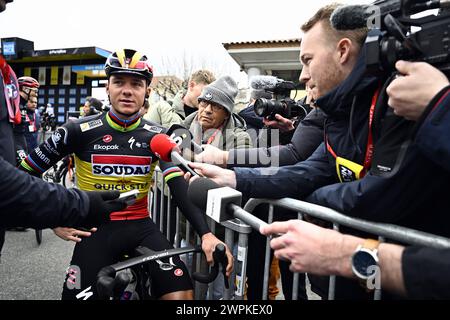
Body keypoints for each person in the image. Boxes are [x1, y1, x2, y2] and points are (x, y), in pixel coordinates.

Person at [187, 4, 450, 298]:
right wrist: (232, 178)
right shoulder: (340, 112)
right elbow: (309, 170)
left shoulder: (397, 100)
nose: (302, 76)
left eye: (308, 60)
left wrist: (312, 202)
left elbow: (381, 195)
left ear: (342, 51)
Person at [20, 49, 232, 300]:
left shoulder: (158, 135)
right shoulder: (77, 130)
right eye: (119, 82)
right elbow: (25, 174)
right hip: (95, 231)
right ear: (107, 88)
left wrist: (206, 233)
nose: (127, 90)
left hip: (141, 227)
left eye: (136, 84)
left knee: (181, 296)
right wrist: (52, 218)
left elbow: (177, 186)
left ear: (146, 92)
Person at [144, 69, 215, 128]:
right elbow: (144, 136)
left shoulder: (207, 118)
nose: (205, 98)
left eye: (208, 95)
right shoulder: (161, 109)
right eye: (203, 92)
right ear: (191, 85)